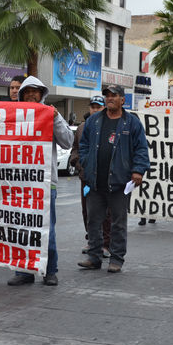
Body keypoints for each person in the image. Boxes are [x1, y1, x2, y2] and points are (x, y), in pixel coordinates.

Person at [8, 76, 74, 286]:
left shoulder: (51, 114)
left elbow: (68, 141)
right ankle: (24, 271)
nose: (31, 95)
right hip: (18, 184)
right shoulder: (12, 115)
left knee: (47, 230)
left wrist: (55, 119)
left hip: (45, 184)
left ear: (41, 94)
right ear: (22, 95)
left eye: (34, 91)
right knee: (20, 229)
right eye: (27, 91)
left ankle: (49, 270)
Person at [78, 84, 150, 273]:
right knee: (93, 220)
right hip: (95, 182)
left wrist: (138, 170)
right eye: (107, 95)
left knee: (118, 222)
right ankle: (94, 257)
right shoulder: (93, 121)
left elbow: (141, 148)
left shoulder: (132, 122)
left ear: (123, 100)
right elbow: (83, 144)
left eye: (114, 95)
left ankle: (116, 259)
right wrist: (86, 162)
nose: (110, 98)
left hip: (119, 182)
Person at [69, 95, 111, 258]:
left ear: (104, 108)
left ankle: (106, 244)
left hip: (105, 179)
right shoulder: (81, 127)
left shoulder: (110, 125)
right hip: (86, 178)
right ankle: (92, 240)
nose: (95, 110)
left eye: (98, 107)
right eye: (92, 107)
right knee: (87, 210)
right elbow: (75, 150)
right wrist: (79, 165)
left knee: (106, 213)